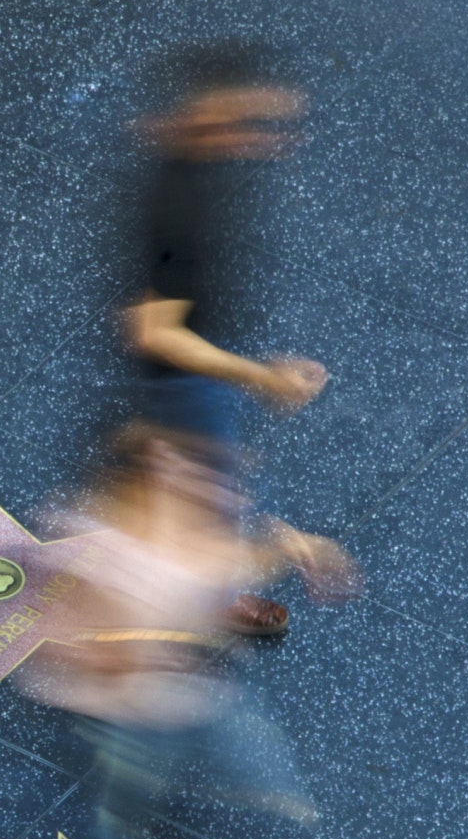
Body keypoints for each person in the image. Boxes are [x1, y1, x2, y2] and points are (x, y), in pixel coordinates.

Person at [18, 424, 354, 839]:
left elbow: (214, 561)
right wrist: (145, 644)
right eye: (167, 473)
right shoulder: (92, 554)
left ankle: (267, 815)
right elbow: (80, 651)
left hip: (196, 688)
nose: (201, 486)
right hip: (128, 712)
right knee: (113, 819)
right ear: (130, 486)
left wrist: (294, 546)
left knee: (253, 763)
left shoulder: (179, 514)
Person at [125, 42, 326, 637]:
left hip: (198, 372)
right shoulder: (176, 206)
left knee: (206, 479)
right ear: (209, 117)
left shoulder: (191, 168)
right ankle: (208, 596)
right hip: (185, 381)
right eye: (254, 122)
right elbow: (157, 333)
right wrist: (264, 378)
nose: (271, 139)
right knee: (210, 485)